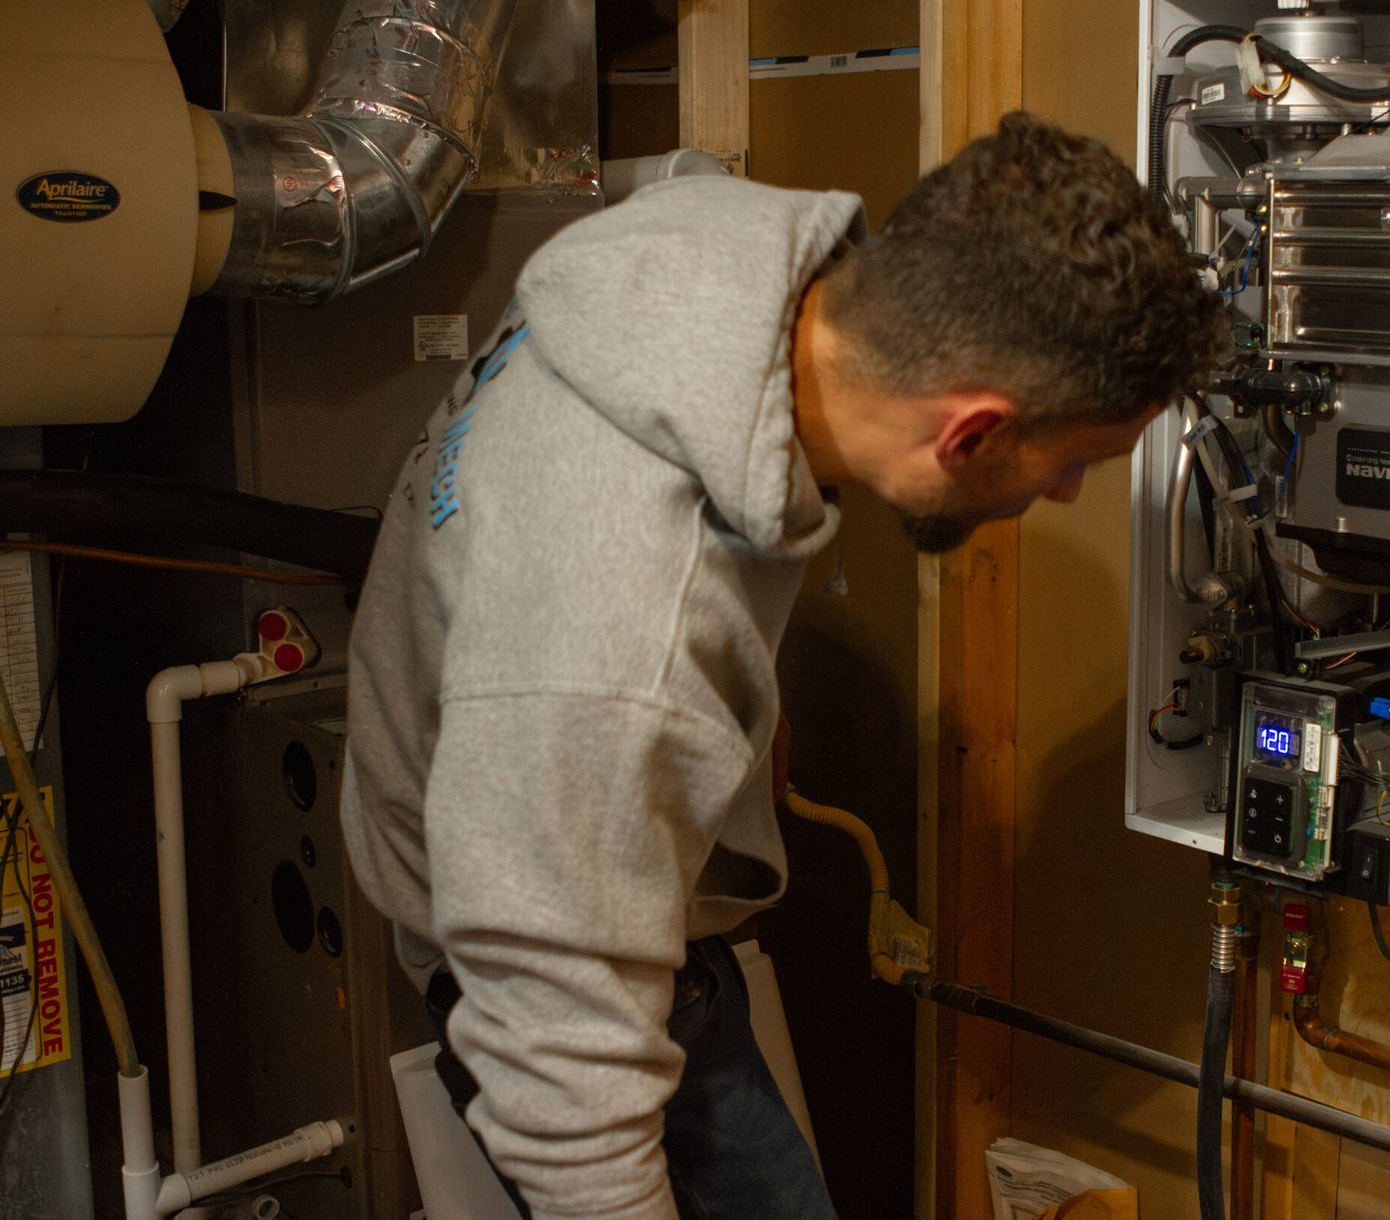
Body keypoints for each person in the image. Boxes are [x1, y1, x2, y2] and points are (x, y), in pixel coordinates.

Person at [341, 111, 1224, 1220]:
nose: (1066, 495)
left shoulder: (716, 245)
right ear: (970, 434)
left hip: (588, 863)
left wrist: (732, 704)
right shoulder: (620, 637)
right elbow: (563, 1092)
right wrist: (662, 705)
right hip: (547, 980)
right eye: (1074, 461)